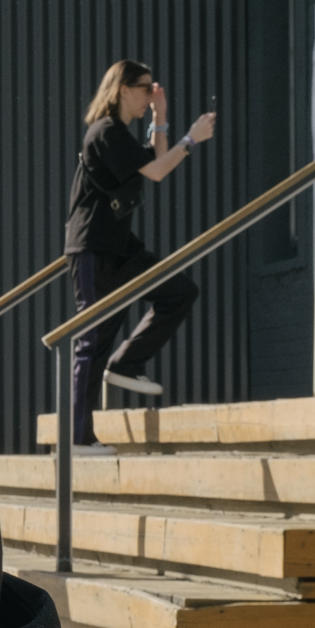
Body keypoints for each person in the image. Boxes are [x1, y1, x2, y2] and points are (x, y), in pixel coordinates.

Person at [64, 61, 217, 443]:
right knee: (91, 341)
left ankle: (126, 363)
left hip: (120, 249)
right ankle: (78, 440)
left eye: (153, 89)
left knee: (179, 291)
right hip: (93, 248)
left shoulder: (120, 135)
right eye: (145, 89)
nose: (151, 94)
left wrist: (160, 116)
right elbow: (157, 171)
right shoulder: (105, 132)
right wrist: (191, 139)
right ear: (122, 90)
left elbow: (152, 161)